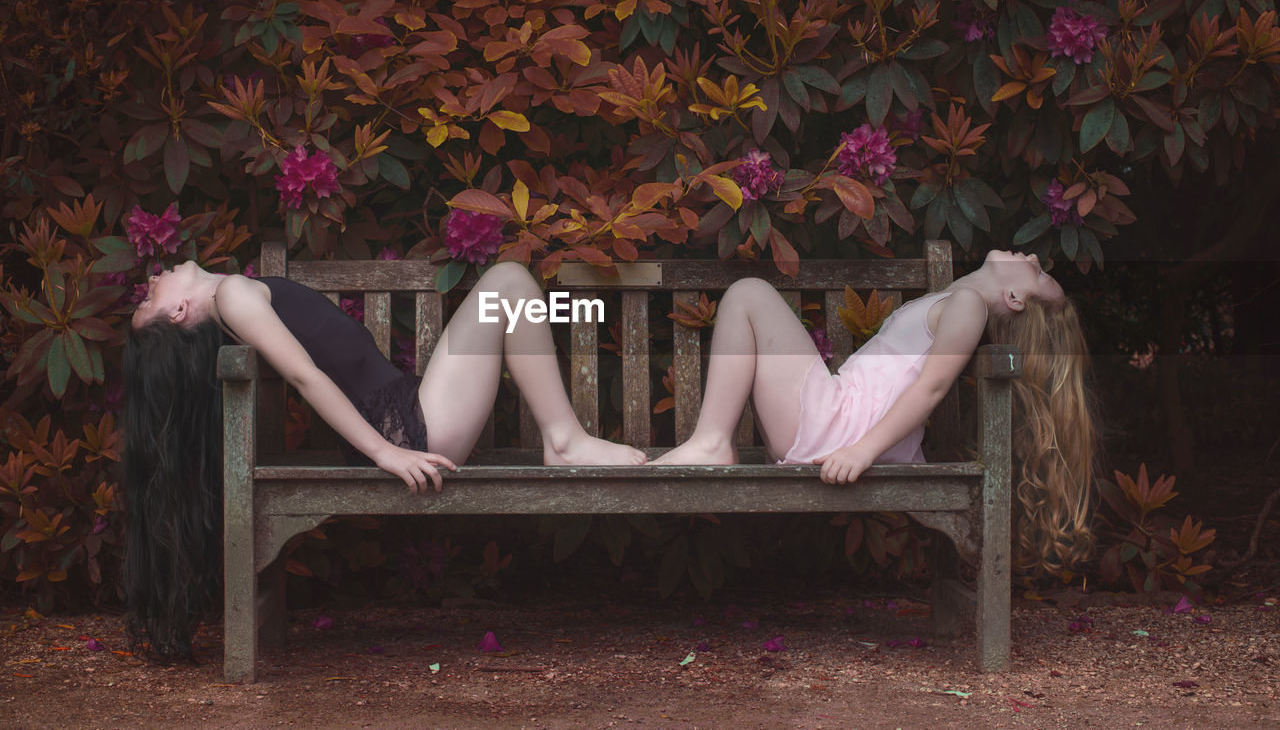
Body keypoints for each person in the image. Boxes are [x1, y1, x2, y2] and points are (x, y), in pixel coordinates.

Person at [123, 259, 643, 659]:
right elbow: (308, 378)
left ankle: (564, 438)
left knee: (507, 284)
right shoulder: (231, 294)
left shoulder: (235, 292)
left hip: (405, 412)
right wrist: (386, 450)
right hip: (403, 424)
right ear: (177, 313)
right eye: (146, 302)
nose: (151, 279)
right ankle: (564, 440)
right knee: (507, 281)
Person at [652, 249, 1099, 576]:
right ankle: (712, 440)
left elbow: (932, 386)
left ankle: (712, 441)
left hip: (840, 427)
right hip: (834, 420)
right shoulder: (956, 301)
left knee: (750, 293)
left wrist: (863, 449)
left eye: (1038, 271)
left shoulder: (969, 307)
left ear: (1015, 297)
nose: (1034, 255)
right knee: (749, 295)